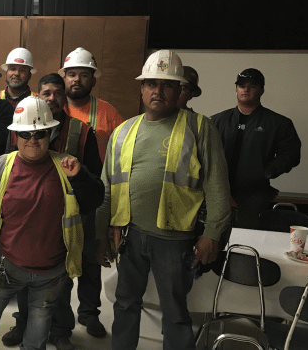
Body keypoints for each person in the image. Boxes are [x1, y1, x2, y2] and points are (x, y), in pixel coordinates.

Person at [96, 50, 231, 350]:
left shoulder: (199, 127)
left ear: (179, 90)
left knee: (174, 311)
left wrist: (211, 234)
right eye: (151, 84)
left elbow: (218, 187)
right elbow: (107, 189)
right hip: (129, 236)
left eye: (167, 85)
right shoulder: (123, 131)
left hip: (174, 240)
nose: (158, 91)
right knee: (125, 304)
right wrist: (100, 236)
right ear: (142, 88)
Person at [0, 96, 104, 350]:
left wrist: (80, 176)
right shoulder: (0, 168)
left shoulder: (66, 167)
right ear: (15, 136)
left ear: (51, 134)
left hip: (51, 273)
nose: (32, 140)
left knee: (36, 339)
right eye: (25, 134)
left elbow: (95, 198)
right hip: (4, 268)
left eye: (40, 133)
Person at [212, 68, 301, 229]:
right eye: (241, 85)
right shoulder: (217, 121)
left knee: (248, 241)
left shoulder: (278, 123)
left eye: (252, 86)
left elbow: (291, 153)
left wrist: (266, 171)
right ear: (236, 90)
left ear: (261, 90)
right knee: (215, 240)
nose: (246, 89)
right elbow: (206, 155)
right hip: (219, 193)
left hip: (254, 196)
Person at [59, 47, 125, 160]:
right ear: (64, 79)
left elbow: (124, 148)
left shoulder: (107, 112)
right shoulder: (54, 107)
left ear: (93, 81)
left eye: (84, 75)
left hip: (95, 176)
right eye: (72, 74)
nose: (77, 80)